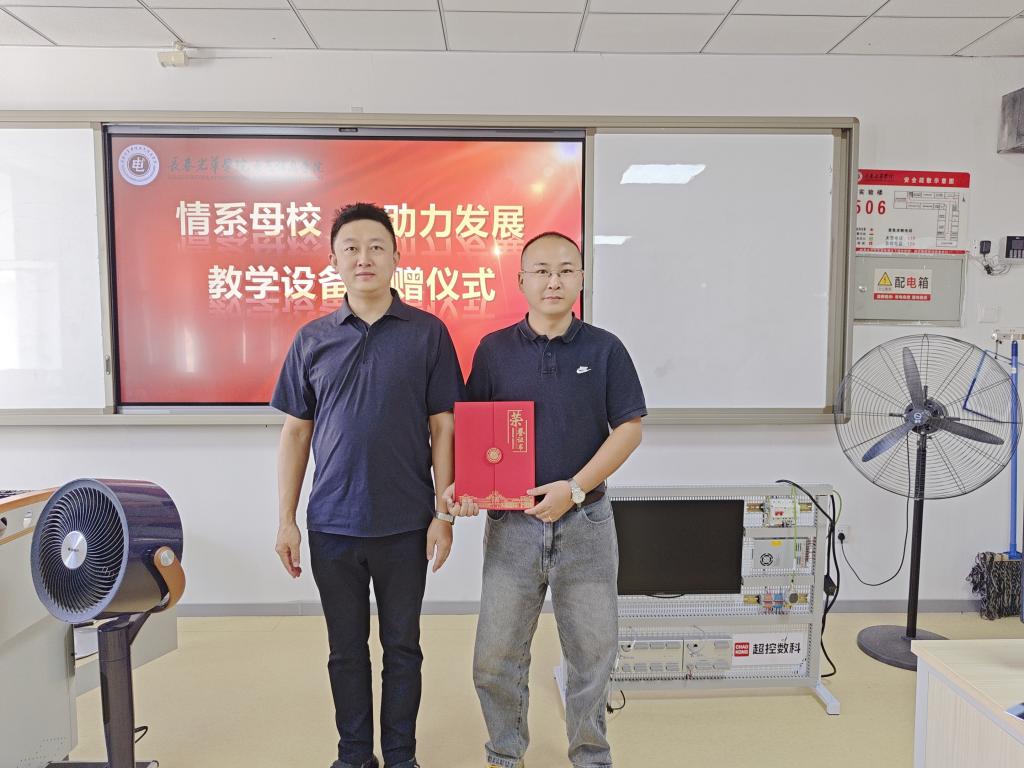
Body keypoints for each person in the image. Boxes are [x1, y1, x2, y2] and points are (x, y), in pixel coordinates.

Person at [273, 202, 463, 768]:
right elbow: (295, 433)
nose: (364, 258)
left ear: (396, 257)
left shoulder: (428, 333)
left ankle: (400, 756)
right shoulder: (312, 339)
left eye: (376, 247)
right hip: (333, 524)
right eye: (351, 248)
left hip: (406, 523)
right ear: (333, 261)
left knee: (403, 648)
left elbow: (443, 426)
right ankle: (354, 754)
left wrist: (444, 514)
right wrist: (286, 520)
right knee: (345, 651)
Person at [447, 231, 646, 768]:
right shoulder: (494, 351)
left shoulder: (605, 349)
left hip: (586, 523)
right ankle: (504, 754)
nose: (553, 281)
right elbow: (474, 433)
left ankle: (591, 755)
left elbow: (629, 428)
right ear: (520, 280)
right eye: (541, 270)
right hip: (511, 528)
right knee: (495, 659)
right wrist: (463, 486)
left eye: (565, 270)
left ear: (581, 278)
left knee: (593, 657)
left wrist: (574, 488)